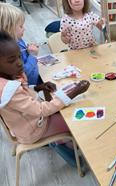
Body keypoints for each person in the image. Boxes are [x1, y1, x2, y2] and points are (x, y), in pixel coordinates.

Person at [0, 30, 90, 167]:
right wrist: (74, 92)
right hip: (34, 130)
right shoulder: (8, 90)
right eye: (12, 60)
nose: (20, 63)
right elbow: (41, 110)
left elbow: (23, 97)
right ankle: (63, 144)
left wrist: (38, 87)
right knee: (76, 121)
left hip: (30, 122)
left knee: (64, 109)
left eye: (19, 57)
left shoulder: (7, 76)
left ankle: (61, 141)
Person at [0, 3, 41, 85]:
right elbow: (21, 72)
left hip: (34, 83)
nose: (24, 29)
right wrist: (33, 56)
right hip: (25, 86)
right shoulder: (8, 51)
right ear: (7, 28)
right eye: (21, 26)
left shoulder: (19, 40)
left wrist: (29, 51)